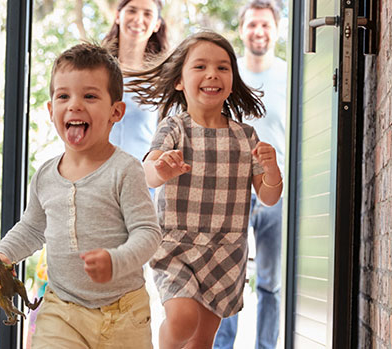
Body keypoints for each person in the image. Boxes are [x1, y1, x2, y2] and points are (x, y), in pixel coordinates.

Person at [0, 43, 163, 349]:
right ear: (51, 110)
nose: (75, 105)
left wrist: (115, 260)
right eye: (64, 96)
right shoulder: (46, 176)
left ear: (116, 111)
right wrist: (1, 255)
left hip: (124, 315)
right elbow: (32, 228)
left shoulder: (126, 170)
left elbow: (149, 233)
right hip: (61, 310)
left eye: (89, 96)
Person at [127, 31, 284, 349]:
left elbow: (268, 196)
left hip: (226, 252)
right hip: (177, 248)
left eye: (222, 67)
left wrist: (273, 169)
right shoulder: (174, 128)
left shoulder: (246, 137)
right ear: (179, 81)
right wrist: (161, 168)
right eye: (200, 66)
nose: (212, 73)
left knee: (202, 342)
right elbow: (148, 174)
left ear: (231, 79)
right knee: (183, 319)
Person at [214, 1, 288, 348]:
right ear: (242, 29)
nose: (259, 31)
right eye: (252, 25)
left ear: (276, 29)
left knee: (271, 282)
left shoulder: (290, 75)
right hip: (233, 193)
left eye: (265, 25)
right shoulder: (229, 76)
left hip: (275, 191)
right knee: (229, 278)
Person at [104, 0, 169, 161]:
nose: (138, 19)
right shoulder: (96, 69)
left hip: (142, 179)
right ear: (118, 16)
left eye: (147, 14)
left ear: (156, 25)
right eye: (132, 11)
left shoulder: (163, 79)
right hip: (96, 177)